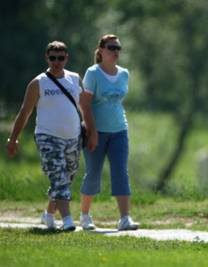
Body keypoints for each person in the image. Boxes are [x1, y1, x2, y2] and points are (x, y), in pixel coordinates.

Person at [6, 41, 83, 231]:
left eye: (61, 58)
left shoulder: (75, 79)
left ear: (67, 58)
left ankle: (48, 214)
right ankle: (67, 221)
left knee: (68, 177)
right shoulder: (38, 83)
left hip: (73, 137)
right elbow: (25, 113)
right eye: (53, 58)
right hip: (47, 137)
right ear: (46, 58)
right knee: (59, 177)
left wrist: (92, 130)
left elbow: (85, 108)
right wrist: (13, 138)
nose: (57, 62)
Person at [79, 34, 138, 231]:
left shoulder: (123, 74)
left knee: (121, 172)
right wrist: (92, 132)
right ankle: (85, 215)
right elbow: (85, 104)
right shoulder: (93, 73)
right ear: (101, 50)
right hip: (97, 131)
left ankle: (124, 218)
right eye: (111, 47)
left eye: (118, 47)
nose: (115, 51)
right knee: (93, 173)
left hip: (119, 130)